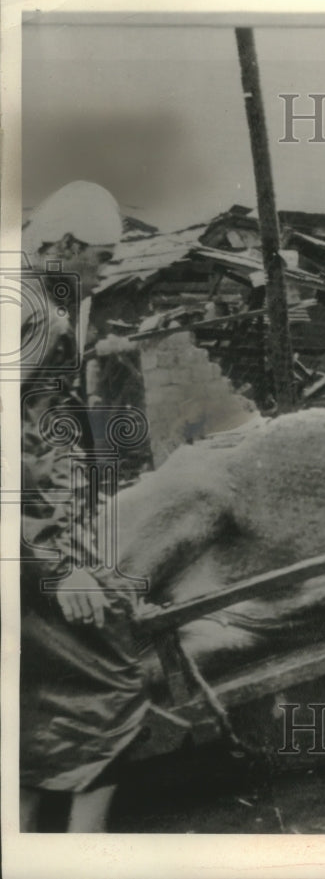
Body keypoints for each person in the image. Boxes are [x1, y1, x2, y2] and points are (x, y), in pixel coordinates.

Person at [19, 230, 150, 832]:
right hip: (31, 544)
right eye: (101, 258)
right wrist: (57, 559)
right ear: (66, 244)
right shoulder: (38, 318)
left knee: (33, 695)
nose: (107, 270)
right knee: (115, 676)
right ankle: (81, 851)